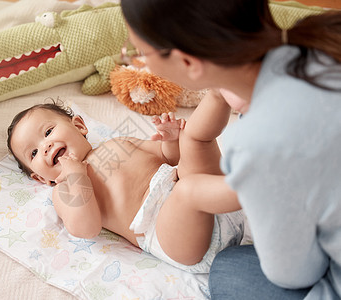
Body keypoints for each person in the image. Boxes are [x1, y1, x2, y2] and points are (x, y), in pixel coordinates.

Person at [120, 0, 341, 299]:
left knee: (228, 271)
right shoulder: (325, 35)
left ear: (188, 63)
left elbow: (294, 273)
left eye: (140, 54)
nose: (137, 61)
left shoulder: (254, 143)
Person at [7, 95, 244, 274]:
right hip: (177, 238)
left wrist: (171, 140)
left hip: (210, 201)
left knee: (194, 137)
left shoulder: (118, 143)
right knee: (186, 190)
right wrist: (76, 177)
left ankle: (220, 92)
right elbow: (85, 227)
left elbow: (168, 157)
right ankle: (256, 187)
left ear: (79, 126)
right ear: (40, 177)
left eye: (48, 131)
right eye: (34, 152)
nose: (46, 146)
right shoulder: (64, 190)